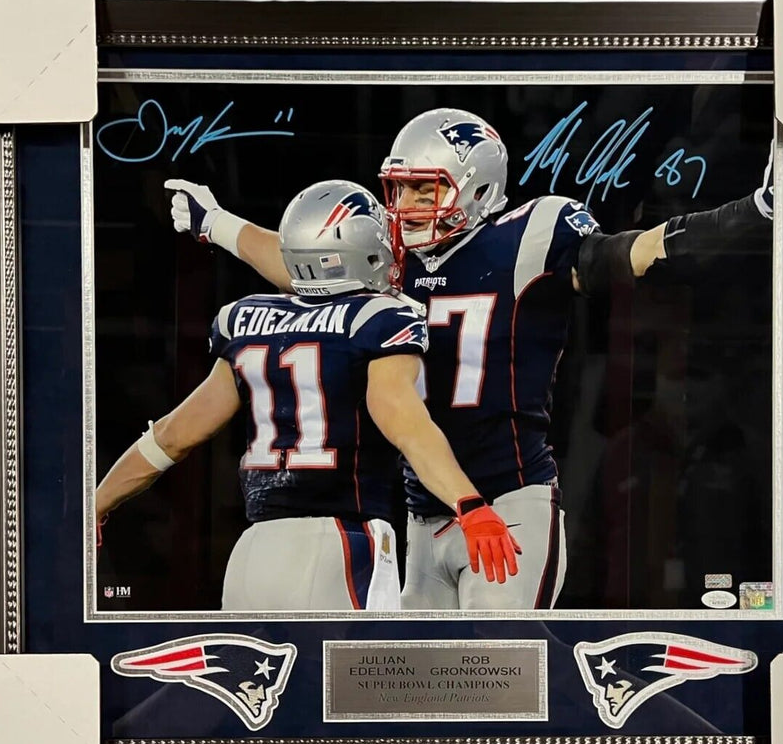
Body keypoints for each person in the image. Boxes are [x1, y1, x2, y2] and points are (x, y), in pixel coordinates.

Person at [166, 111, 773, 611]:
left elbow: (635, 253)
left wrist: (754, 212)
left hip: (508, 501)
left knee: (495, 676)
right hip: (422, 514)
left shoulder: (525, 239)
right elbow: (302, 265)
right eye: (400, 189)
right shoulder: (389, 258)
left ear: (477, 188)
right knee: (415, 695)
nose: (406, 205)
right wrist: (216, 224)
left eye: (424, 189)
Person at [98, 179, 520, 612]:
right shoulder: (381, 317)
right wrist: (469, 504)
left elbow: (172, 437)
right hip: (339, 542)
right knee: (360, 661)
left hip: (252, 552)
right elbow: (406, 424)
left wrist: (96, 504)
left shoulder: (246, 320)